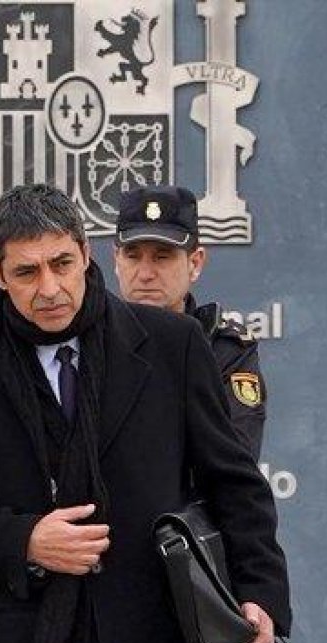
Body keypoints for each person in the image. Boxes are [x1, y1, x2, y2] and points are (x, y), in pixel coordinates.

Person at [0, 183, 290, 643]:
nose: (50, 288)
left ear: (86, 252)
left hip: (164, 640)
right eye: (26, 272)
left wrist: (258, 596)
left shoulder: (173, 344)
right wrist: (25, 540)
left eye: (61, 263)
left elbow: (233, 483)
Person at [112, 185, 266, 458]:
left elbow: (234, 460)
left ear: (195, 263)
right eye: (133, 255)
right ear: (116, 260)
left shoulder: (223, 348)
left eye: (162, 256)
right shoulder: (91, 339)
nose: (145, 273)